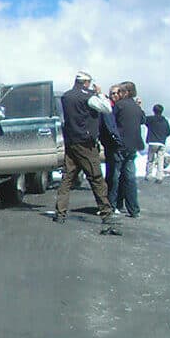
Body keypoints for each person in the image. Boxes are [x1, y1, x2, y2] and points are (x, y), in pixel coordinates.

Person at [53, 71, 116, 227]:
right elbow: (107, 108)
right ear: (86, 82)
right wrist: (100, 94)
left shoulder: (66, 96)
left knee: (67, 178)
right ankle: (106, 213)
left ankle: (60, 213)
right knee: (96, 178)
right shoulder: (89, 97)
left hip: (71, 141)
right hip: (86, 143)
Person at [111, 81, 144, 217]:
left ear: (126, 92)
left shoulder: (119, 106)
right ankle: (133, 209)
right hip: (133, 146)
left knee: (115, 176)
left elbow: (111, 122)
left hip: (120, 145)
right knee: (130, 177)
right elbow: (143, 120)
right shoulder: (137, 108)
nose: (118, 94)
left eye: (121, 92)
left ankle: (113, 205)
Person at [99, 85, 124, 209]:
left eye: (117, 93)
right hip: (112, 145)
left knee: (119, 175)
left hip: (119, 145)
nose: (115, 95)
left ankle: (117, 203)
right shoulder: (108, 109)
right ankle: (111, 203)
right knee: (113, 175)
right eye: (112, 93)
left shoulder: (122, 108)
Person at [143, 103, 170, 183]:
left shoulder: (151, 119)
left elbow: (142, 120)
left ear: (154, 111)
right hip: (162, 143)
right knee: (160, 160)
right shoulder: (165, 121)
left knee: (150, 159)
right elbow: (169, 132)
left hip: (152, 142)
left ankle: (148, 175)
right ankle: (159, 177)